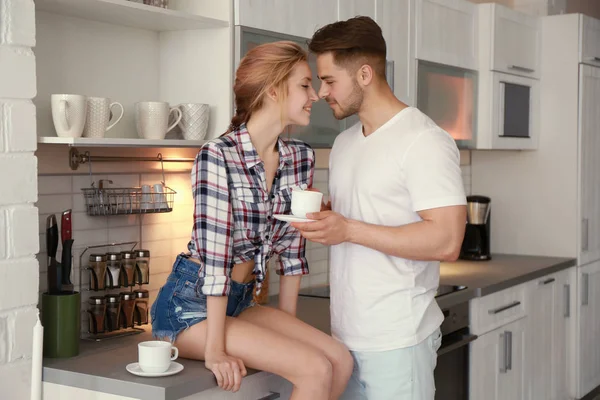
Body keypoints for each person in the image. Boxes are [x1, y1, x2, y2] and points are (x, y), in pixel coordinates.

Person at [150, 41, 353, 399]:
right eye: (305, 85)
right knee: (315, 368)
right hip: (190, 306)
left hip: (242, 301)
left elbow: (292, 254)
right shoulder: (217, 156)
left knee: (339, 359)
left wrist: (287, 335)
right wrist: (216, 350)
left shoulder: (299, 158)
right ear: (273, 90)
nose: (315, 95)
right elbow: (215, 262)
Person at [292, 17, 467, 400]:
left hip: (398, 341)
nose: (321, 93)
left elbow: (447, 239)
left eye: (329, 80)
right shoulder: (345, 144)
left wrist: (349, 229)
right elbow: (368, 211)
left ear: (365, 74)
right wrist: (327, 212)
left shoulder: (424, 141)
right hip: (346, 337)